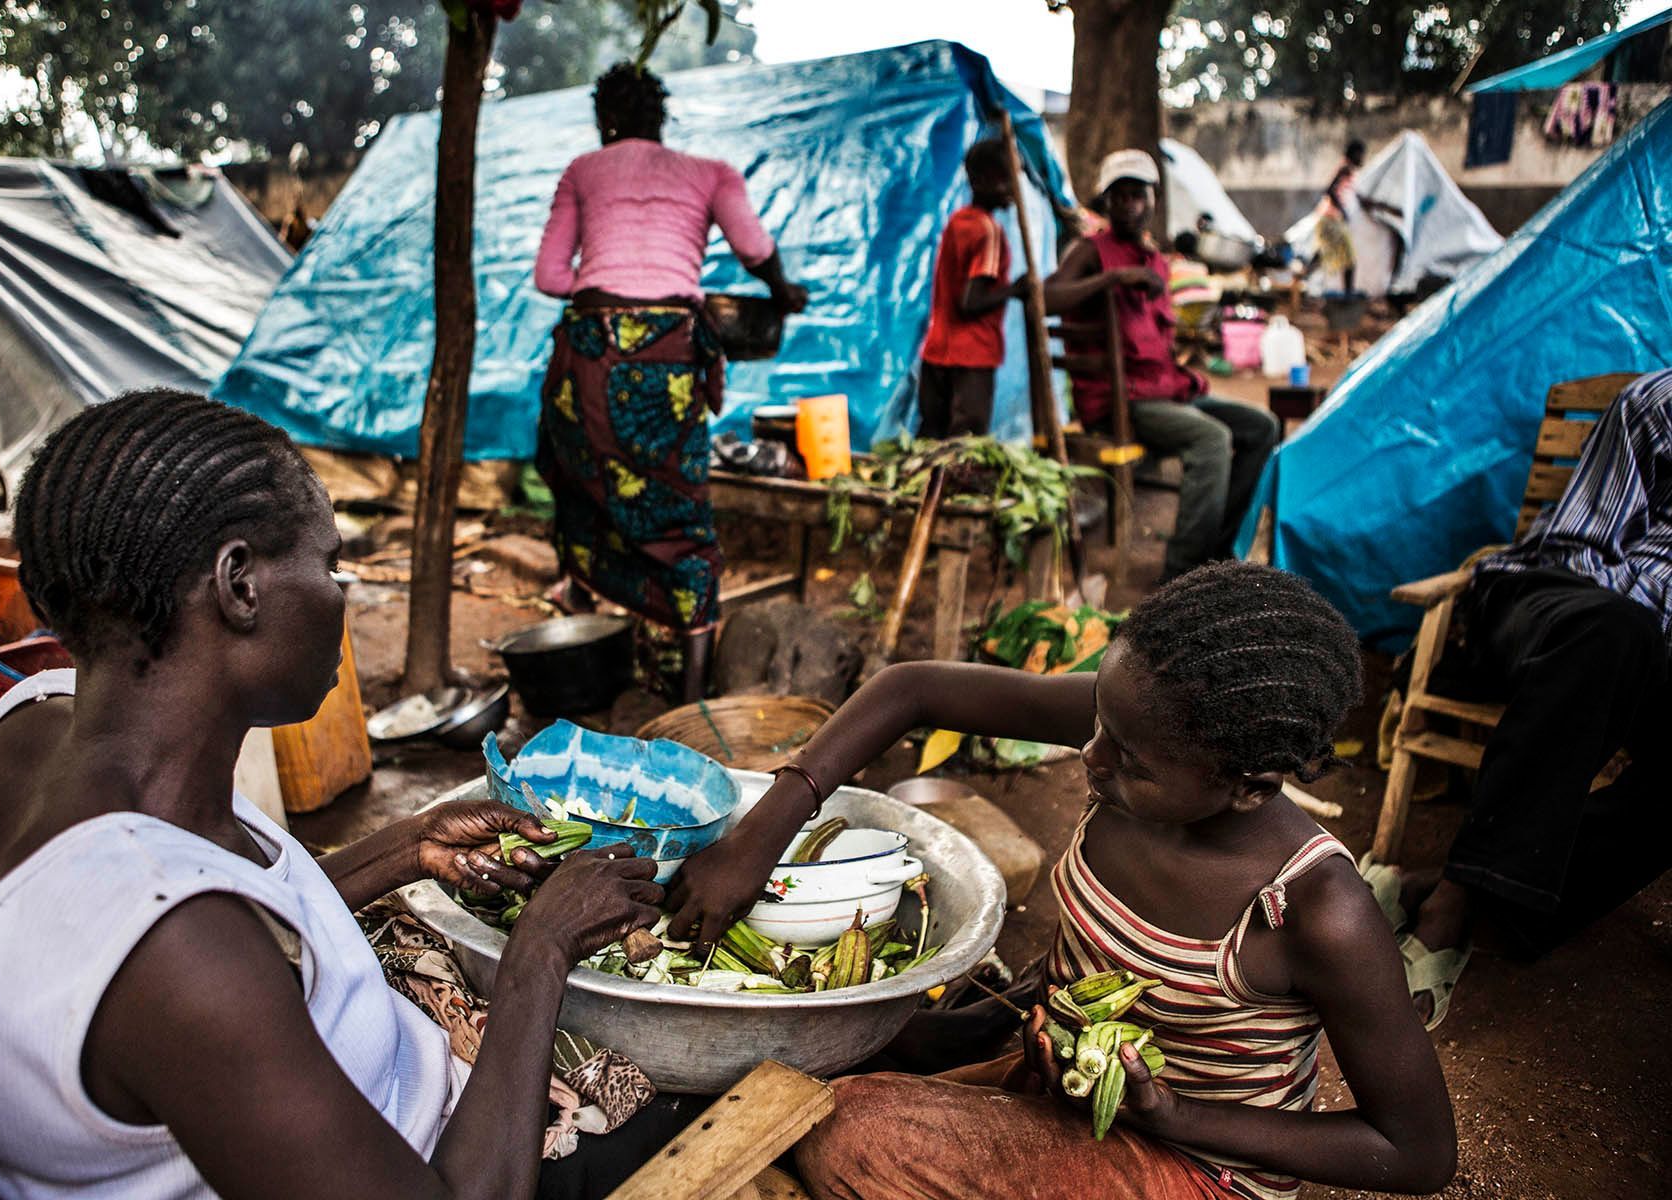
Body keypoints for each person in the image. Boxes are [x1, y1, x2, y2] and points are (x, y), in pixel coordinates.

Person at [0, 390, 672, 1199]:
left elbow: (227, 903)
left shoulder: (30, 727)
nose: (343, 597)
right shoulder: (177, 955)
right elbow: (196, 949)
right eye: (330, 566)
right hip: (452, 1166)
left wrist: (408, 846)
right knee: (682, 1113)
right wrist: (542, 952)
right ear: (239, 584)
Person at [667, 562, 1456, 1198]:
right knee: (817, 1058)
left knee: (850, 1126)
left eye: (1129, 760)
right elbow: (911, 689)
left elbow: (1416, 1155)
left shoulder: (1313, 910)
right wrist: (761, 837)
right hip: (1066, 1093)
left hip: (1198, 1166)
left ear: (1250, 785)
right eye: (1100, 727)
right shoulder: (1140, 725)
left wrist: (1171, 1112)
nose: (1091, 757)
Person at [1375, 369, 1672, 1029]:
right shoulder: (1659, 402)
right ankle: (1450, 909)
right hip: (1556, 598)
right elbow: (1579, 548)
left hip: (1644, 654)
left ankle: (1462, 887)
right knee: (1617, 632)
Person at [532, 62, 807, 703]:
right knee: (682, 515)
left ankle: (588, 614)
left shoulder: (582, 170)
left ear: (606, 121)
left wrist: (610, 295)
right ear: (662, 119)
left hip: (586, 360)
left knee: (578, 482)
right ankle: (689, 696)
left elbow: (550, 276)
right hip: (666, 364)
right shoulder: (709, 172)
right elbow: (756, 249)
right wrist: (783, 292)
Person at [1042, 148, 1280, 583]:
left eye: (1140, 196)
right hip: (1122, 400)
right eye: (1121, 197)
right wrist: (1111, 279)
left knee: (1262, 426)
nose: (1131, 205)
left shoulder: (1154, 258)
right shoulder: (1092, 252)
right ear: (1107, 204)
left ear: (1153, 200)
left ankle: (1218, 550)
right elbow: (1045, 298)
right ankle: (1182, 575)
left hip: (1166, 388)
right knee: (1211, 440)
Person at [916, 138, 1026, 438]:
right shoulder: (987, 230)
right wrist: (1015, 290)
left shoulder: (957, 222)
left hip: (937, 352)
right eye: (1010, 179)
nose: (1015, 189)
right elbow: (970, 302)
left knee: (931, 438)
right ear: (987, 181)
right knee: (965, 445)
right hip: (971, 357)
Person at [1314, 139, 1402, 296]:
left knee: (1330, 258)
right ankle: (1348, 296)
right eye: (1360, 154)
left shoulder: (1350, 173)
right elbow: (1329, 190)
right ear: (1353, 154)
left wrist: (1385, 207)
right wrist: (1342, 211)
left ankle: (1345, 293)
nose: (1362, 158)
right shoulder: (1345, 169)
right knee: (1347, 261)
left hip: (1331, 220)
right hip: (1332, 219)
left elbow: (1360, 199)